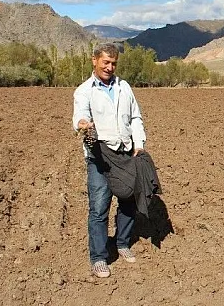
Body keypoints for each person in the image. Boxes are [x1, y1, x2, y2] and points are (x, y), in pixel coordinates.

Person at [72, 43, 146, 278]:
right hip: (99, 158)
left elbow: (135, 117)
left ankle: (122, 243)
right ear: (94, 60)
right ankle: (99, 257)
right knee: (99, 207)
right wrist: (84, 124)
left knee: (128, 201)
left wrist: (139, 144)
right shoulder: (85, 90)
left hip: (125, 153)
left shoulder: (124, 87)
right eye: (105, 62)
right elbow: (80, 116)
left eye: (113, 63)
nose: (110, 67)